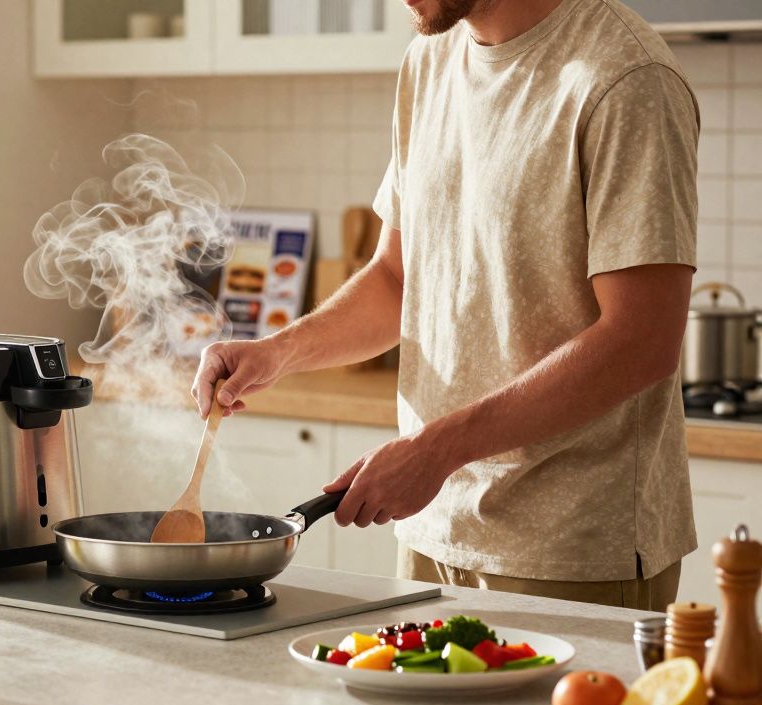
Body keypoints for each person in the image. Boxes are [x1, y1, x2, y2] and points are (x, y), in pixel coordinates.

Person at [191, 0, 699, 611]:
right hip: (432, 530)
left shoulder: (626, 77)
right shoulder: (428, 61)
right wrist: (275, 353)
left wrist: (435, 450)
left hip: (571, 550)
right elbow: (397, 280)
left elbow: (642, 342)